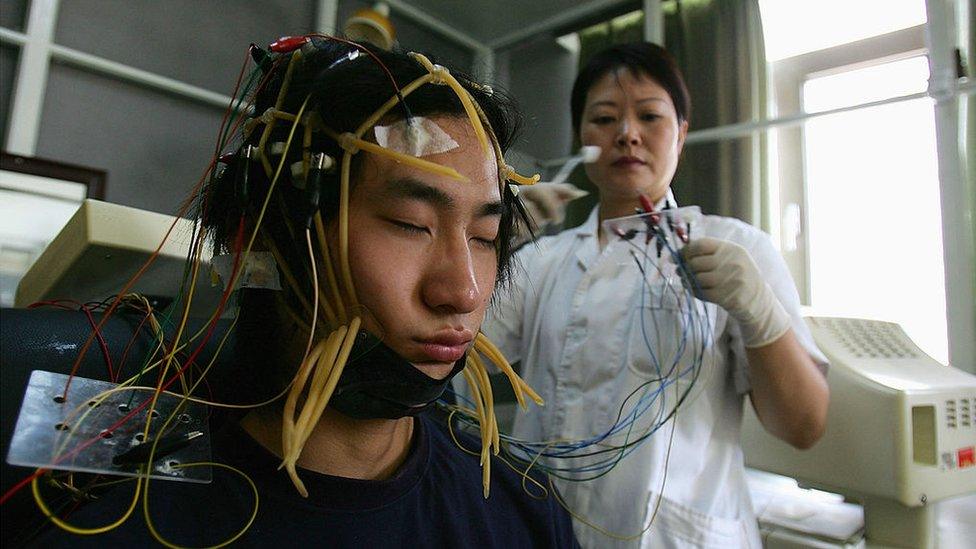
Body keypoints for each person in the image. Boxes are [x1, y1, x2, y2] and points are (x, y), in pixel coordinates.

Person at [22, 36, 578, 548]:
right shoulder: (126, 526)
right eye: (411, 223)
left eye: (484, 236)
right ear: (269, 240)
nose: (463, 290)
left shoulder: (522, 514)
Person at [483, 42, 829, 548]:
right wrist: (487, 240)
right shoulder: (543, 261)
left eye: (650, 116)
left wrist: (761, 315)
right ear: (582, 136)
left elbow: (803, 427)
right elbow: (458, 353)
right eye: (604, 118)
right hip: (544, 529)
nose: (627, 134)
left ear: (681, 133)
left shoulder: (737, 249)